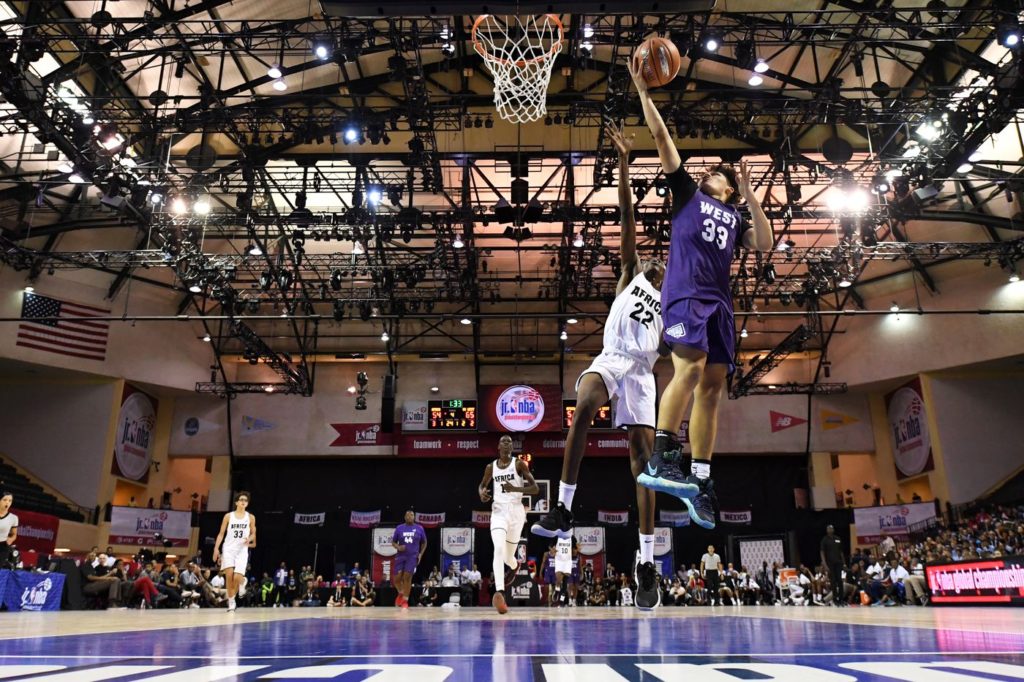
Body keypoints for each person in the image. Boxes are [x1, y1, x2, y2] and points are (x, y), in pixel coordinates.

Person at [629, 58, 772, 530]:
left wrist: (751, 195)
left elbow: (765, 244)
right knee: (688, 370)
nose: (710, 172)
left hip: (720, 303)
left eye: (719, 174)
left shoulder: (735, 216)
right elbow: (663, 141)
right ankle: (662, 458)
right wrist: (645, 95)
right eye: (709, 171)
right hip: (686, 294)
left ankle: (701, 477)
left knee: (713, 389)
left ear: (728, 189)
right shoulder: (688, 195)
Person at [531, 124, 665, 610]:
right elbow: (627, 215)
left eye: (661, 261)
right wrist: (625, 163)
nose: (656, 261)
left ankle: (645, 561)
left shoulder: (673, 300)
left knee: (644, 465)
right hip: (611, 358)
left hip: (643, 374)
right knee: (584, 404)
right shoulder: (629, 275)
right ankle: (563, 507)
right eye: (653, 258)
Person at [479, 434, 539, 614]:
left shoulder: (519, 464)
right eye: (504, 441)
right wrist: (481, 493)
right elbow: (481, 485)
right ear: (498, 446)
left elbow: (535, 488)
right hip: (498, 512)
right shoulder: (490, 467)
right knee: (498, 549)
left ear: (512, 447)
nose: (507, 443)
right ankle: (500, 593)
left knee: (508, 558)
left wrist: (516, 489)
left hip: (516, 512)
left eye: (510, 442)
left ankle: (514, 566)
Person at [212, 491, 256, 612]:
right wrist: (216, 548)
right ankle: (231, 602)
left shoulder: (250, 517)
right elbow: (221, 534)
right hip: (228, 549)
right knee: (229, 576)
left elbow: (253, 534)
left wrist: (249, 539)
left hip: (242, 549)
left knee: (237, 577)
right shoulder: (228, 516)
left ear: (247, 504)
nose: (243, 502)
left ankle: (243, 581)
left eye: (245, 500)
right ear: (236, 502)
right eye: (241, 499)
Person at [391, 510, 427, 609]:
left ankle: (405, 601)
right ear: (404, 517)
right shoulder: (399, 528)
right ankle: (401, 593)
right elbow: (393, 542)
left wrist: (420, 554)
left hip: (412, 556)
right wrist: (398, 547)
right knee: (396, 579)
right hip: (400, 555)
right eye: (407, 515)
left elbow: (424, 542)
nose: (409, 516)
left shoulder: (419, 528)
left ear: (414, 517)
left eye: (411, 515)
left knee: (407, 577)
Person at [820, 524, 847, 606]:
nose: (830, 529)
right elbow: (822, 552)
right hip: (830, 564)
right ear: (827, 530)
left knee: (840, 580)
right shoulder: (824, 540)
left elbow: (841, 552)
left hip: (838, 563)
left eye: (831, 528)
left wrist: (844, 563)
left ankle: (841, 599)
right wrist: (824, 564)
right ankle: (835, 600)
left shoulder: (838, 539)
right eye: (828, 528)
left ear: (833, 529)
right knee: (833, 581)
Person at [0, 491, 17, 568]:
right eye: (5, 500)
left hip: (2, 546)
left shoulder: (13, 518)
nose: (7, 502)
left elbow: (14, 534)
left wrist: (11, 539)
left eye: (10, 500)